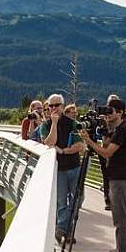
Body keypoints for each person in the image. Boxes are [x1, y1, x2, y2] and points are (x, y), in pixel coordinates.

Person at [80, 97, 126, 252]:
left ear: (119, 112)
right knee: (119, 217)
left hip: (121, 179)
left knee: (121, 219)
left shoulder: (123, 131)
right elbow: (106, 144)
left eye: (110, 111)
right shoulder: (117, 129)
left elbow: (106, 153)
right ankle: (121, 249)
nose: (107, 114)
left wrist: (88, 141)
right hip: (117, 177)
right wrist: (106, 129)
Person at [40, 94, 84, 242]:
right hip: (58, 169)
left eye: (56, 105)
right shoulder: (45, 125)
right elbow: (49, 142)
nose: (53, 109)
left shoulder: (72, 123)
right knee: (61, 202)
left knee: (78, 198)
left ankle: (61, 228)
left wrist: (63, 150)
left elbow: (79, 146)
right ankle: (68, 232)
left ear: (62, 106)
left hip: (74, 167)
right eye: (50, 106)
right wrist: (53, 123)